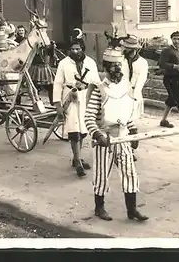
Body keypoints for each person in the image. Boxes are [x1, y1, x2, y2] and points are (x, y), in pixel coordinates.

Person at [84, 47, 148, 222]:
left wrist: (133, 131)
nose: (117, 69)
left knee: (130, 173)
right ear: (105, 68)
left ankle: (132, 210)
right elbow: (89, 118)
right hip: (105, 138)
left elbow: (127, 114)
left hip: (123, 137)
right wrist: (98, 136)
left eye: (119, 65)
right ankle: (99, 208)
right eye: (113, 66)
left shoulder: (127, 87)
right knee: (101, 174)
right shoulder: (99, 89)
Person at [52, 34, 100, 177]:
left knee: (83, 130)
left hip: (85, 97)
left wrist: (94, 95)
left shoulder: (90, 63)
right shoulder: (64, 63)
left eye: (78, 49)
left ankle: (75, 157)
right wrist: (57, 104)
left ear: (83, 49)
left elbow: (96, 82)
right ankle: (78, 162)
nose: (75, 52)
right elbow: (58, 83)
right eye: (72, 49)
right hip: (70, 98)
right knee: (74, 131)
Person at [120, 34, 149, 162]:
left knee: (129, 121)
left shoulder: (142, 63)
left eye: (130, 49)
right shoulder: (121, 60)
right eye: (125, 48)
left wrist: (134, 95)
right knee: (122, 124)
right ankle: (125, 149)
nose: (127, 51)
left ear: (136, 50)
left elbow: (141, 81)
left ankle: (130, 150)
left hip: (134, 96)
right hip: (120, 94)